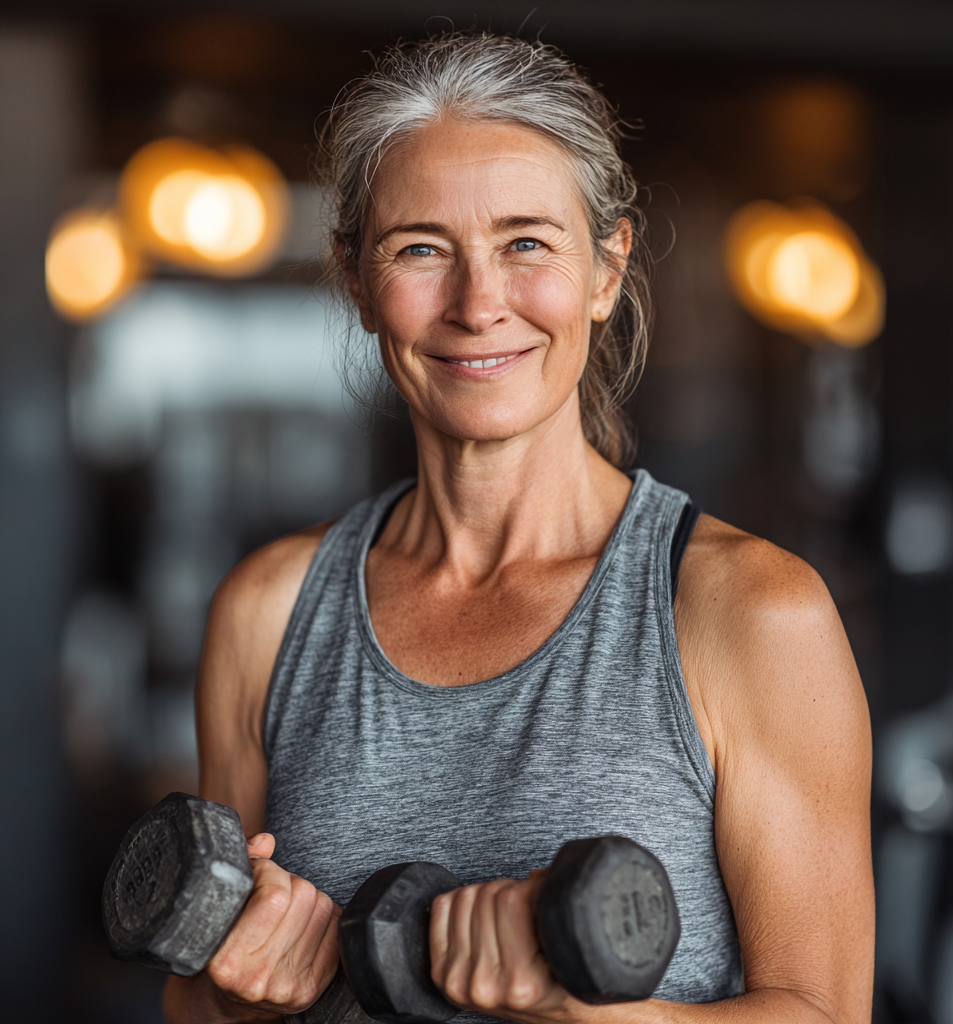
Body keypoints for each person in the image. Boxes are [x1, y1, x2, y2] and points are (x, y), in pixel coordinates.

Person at [163, 33, 873, 1024]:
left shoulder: (750, 610)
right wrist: (236, 1001)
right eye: (420, 249)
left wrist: (581, 1011)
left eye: (526, 243)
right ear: (358, 283)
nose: (478, 302)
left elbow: (826, 1012)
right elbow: (194, 995)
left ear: (605, 268)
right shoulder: (268, 611)